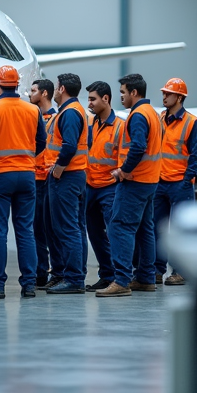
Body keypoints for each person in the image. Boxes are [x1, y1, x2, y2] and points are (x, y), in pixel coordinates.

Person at [0, 65, 47, 299]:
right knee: (25, 231)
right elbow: (42, 142)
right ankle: (29, 285)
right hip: (27, 176)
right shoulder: (32, 110)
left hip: (0, 177)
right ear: (17, 85)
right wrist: (26, 159)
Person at [98, 73, 162, 297]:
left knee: (119, 226)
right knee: (145, 229)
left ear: (134, 93)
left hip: (135, 181)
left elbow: (138, 147)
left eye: (123, 92)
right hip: (150, 181)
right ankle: (145, 278)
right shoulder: (152, 113)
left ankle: (122, 280)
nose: (121, 97)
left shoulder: (137, 116)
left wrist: (124, 171)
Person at [153, 78, 197, 286]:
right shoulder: (160, 118)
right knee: (155, 228)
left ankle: (180, 271)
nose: (164, 97)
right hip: (160, 181)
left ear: (179, 97)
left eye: (168, 94)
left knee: (180, 230)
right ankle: (156, 270)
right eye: (164, 93)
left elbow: (195, 156)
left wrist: (185, 181)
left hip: (180, 184)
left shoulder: (192, 123)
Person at [45, 72, 89, 295]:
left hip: (67, 177)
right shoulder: (73, 110)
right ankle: (76, 275)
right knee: (76, 227)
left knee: (67, 227)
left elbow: (70, 146)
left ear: (61, 89)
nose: (54, 89)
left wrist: (58, 169)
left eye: (56, 86)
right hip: (75, 176)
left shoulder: (70, 113)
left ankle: (73, 279)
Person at [84, 81, 124, 292]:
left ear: (106, 99)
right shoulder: (90, 123)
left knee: (114, 233)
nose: (89, 103)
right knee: (95, 234)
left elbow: (124, 157)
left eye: (92, 99)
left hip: (110, 187)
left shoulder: (120, 126)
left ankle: (119, 277)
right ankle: (106, 275)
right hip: (90, 185)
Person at [29, 78, 59, 288]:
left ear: (44, 94)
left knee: (50, 229)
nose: (29, 95)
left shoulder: (56, 119)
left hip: (49, 179)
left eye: (33, 91)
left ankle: (57, 271)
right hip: (34, 178)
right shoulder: (33, 116)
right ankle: (41, 271)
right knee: (36, 229)